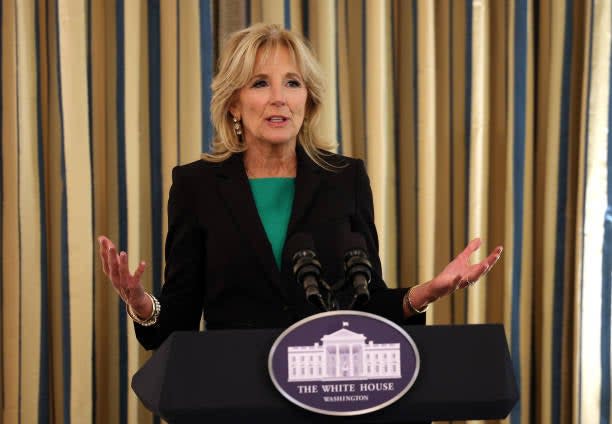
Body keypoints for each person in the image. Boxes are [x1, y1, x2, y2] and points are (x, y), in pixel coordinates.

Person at [97, 23, 502, 351]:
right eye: (259, 83)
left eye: (292, 83)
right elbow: (176, 325)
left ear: (308, 101)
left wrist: (425, 292)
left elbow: (369, 303)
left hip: (327, 395)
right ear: (233, 103)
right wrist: (141, 304)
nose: (279, 98)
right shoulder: (196, 186)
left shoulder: (346, 179)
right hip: (234, 397)